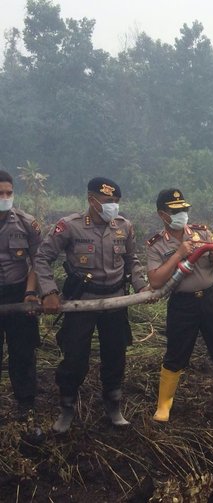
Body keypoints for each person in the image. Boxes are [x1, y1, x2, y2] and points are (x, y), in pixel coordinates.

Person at [35, 177, 149, 433]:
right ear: (92, 201)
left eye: (117, 202)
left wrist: (141, 285)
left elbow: (132, 260)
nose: (114, 207)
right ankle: (66, 407)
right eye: (109, 202)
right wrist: (49, 292)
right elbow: (42, 258)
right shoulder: (69, 227)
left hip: (116, 301)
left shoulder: (124, 227)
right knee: (74, 358)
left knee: (115, 354)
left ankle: (113, 403)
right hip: (81, 303)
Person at [147, 188, 213, 422]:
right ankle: (164, 405)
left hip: (211, 299)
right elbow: (156, 280)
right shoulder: (156, 245)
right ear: (162, 215)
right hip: (182, 304)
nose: (182, 214)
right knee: (176, 354)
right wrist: (179, 253)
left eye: (184, 210)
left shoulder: (203, 233)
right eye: (176, 211)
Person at [0, 170, 42, 419]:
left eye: (9, 193)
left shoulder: (27, 223)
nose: (5, 197)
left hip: (19, 293)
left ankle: (26, 405)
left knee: (23, 352)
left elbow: (39, 261)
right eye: (0, 193)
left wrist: (30, 293)